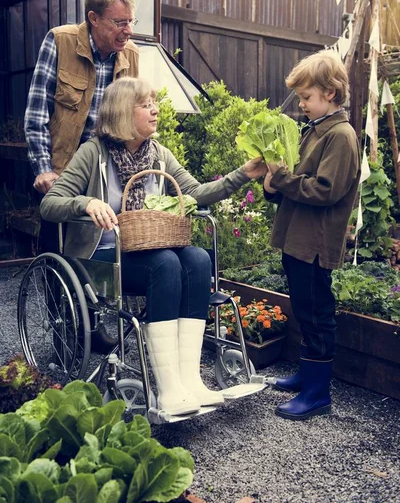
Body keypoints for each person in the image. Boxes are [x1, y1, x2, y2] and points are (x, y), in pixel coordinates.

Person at [40, 76, 267, 416]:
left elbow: (195, 192)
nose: (155, 109)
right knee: (167, 264)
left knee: (198, 259)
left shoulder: (158, 154)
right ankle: (168, 388)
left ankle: (190, 381)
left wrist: (244, 174)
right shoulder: (93, 153)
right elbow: (50, 204)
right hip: (102, 256)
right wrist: (86, 203)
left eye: (154, 103)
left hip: (146, 250)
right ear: (121, 112)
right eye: (145, 105)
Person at [263, 50, 360, 421]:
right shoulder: (316, 130)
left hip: (315, 244)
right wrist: (273, 184)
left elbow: (325, 190)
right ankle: (308, 374)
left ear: (330, 93)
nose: (301, 104)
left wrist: (282, 179)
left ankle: (318, 393)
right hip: (297, 239)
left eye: (306, 97)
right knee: (305, 308)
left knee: (318, 313)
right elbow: (294, 181)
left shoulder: (340, 136)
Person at [24, 0, 139, 195]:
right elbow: (37, 114)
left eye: (132, 21)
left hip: (111, 177)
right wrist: (43, 169)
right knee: (57, 230)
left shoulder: (131, 54)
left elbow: (133, 120)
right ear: (93, 18)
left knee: (107, 230)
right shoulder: (60, 40)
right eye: (120, 22)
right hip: (62, 176)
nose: (129, 30)